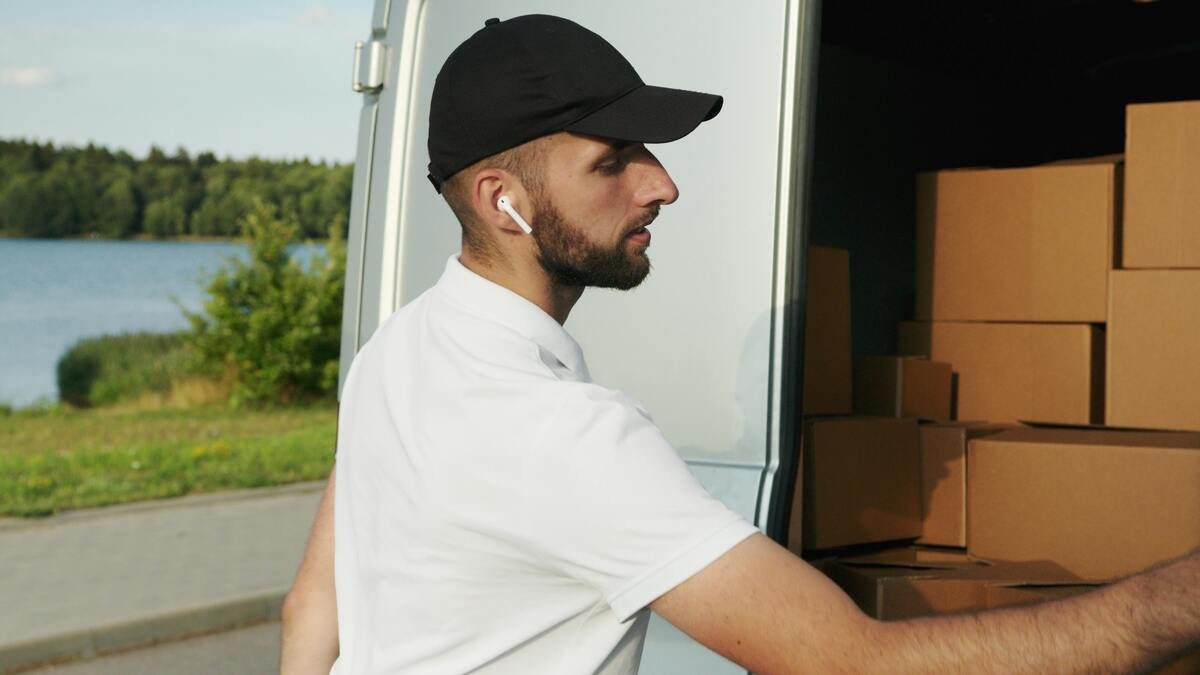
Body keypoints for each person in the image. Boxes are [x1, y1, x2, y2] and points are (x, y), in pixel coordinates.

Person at [281, 14, 1200, 674]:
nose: (663, 184)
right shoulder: (558, 434)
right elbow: (849, 663)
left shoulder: (396, 351)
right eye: (614, 160)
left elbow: (312, 609)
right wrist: (1180, 600)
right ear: (501, 200)